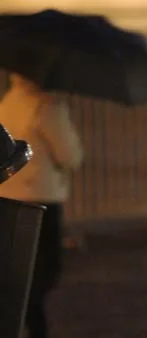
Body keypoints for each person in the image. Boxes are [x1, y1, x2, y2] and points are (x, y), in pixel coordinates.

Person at [0, 73, 83, 338]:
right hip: (42, 199)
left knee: (16, 266)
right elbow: (70, 156)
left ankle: (29, 321)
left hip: (9, 195)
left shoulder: (7, 102)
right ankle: (29, 319)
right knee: (46, 269)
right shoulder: (47, 107)